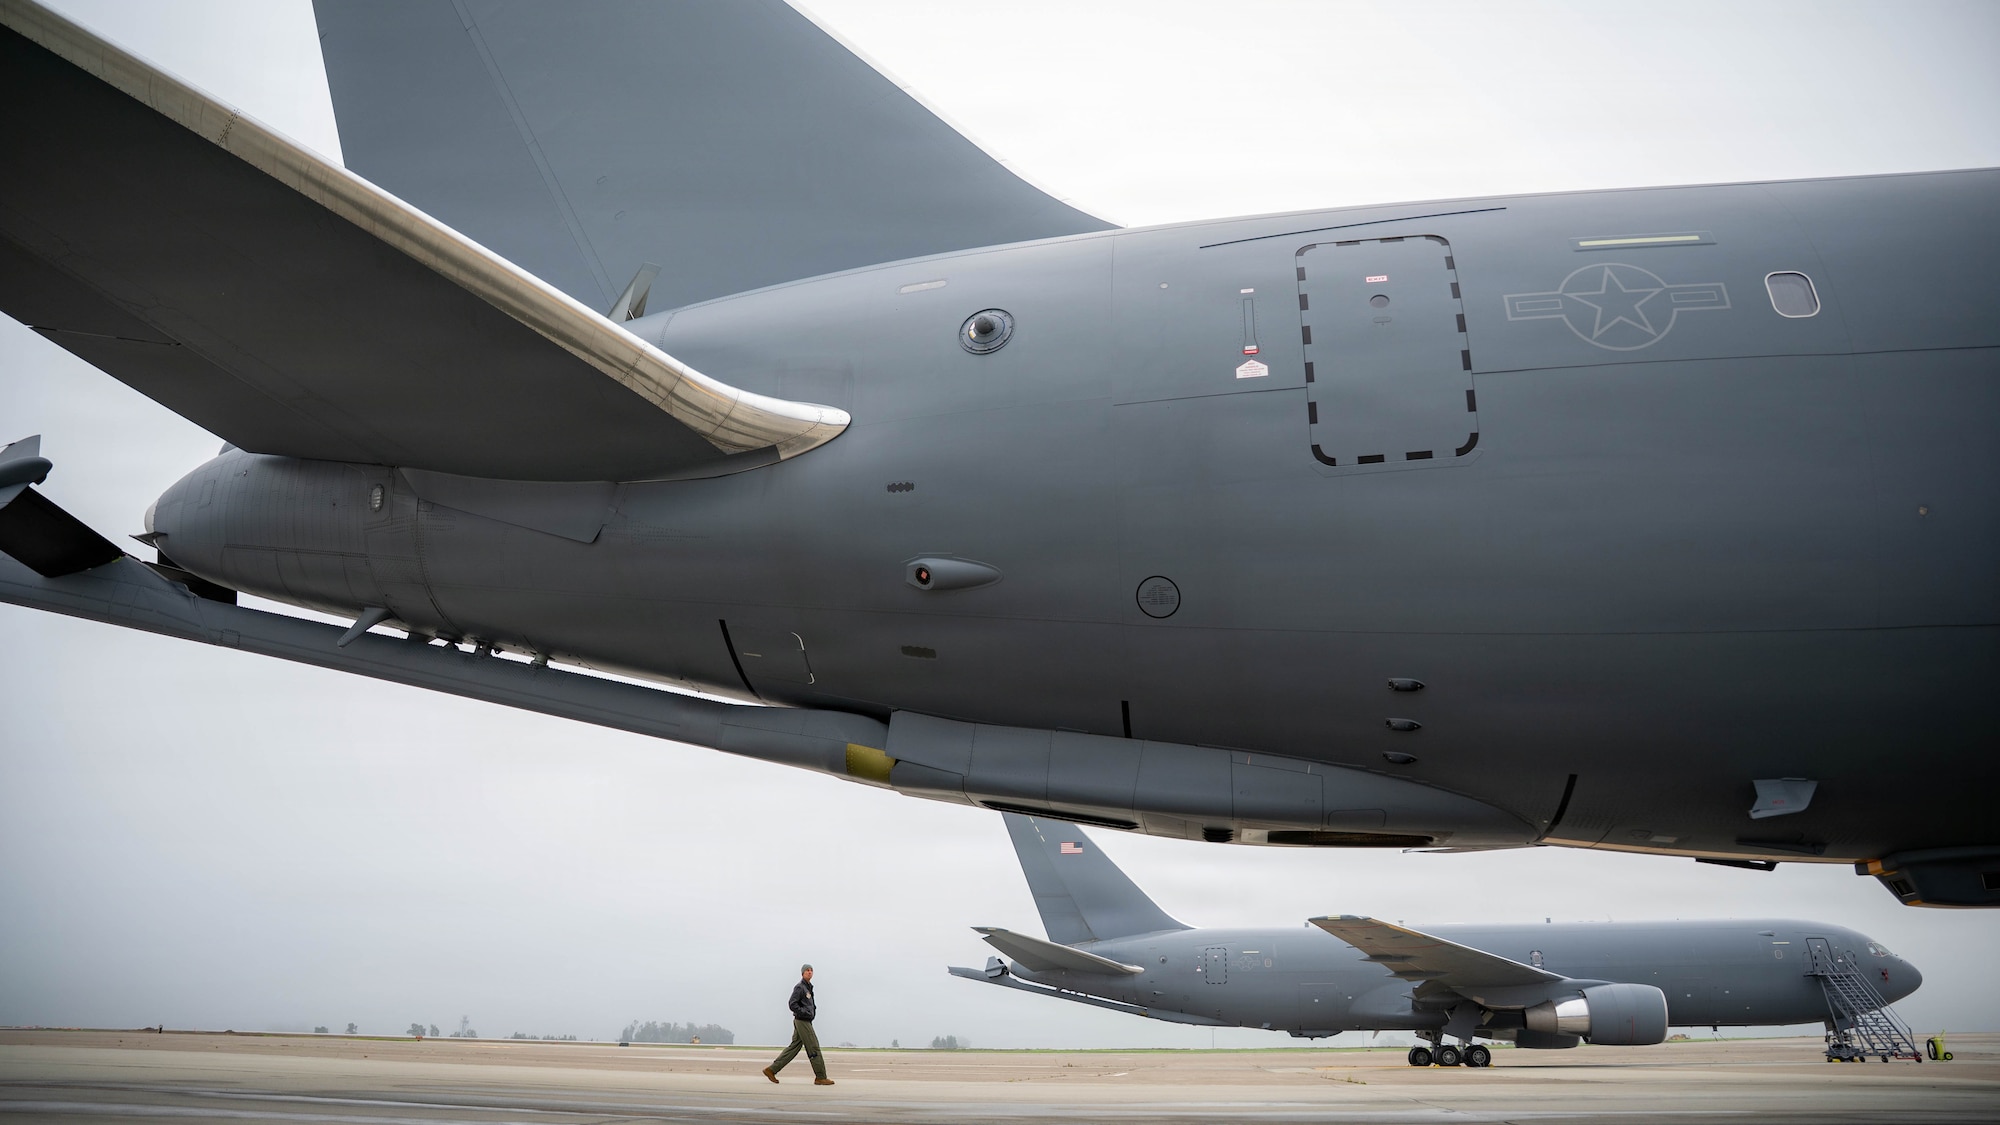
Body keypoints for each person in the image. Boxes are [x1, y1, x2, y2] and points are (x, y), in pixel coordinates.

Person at [763, 964, 833, 1085]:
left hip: (805, 1020)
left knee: (794, 1048)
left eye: (811, 970)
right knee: (813, 1047)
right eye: (807, 970)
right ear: (802, 973)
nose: (809, 972)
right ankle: (821, 1077)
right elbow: (792, 1004)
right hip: (802, 1021)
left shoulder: (808, 988)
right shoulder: (800, 987)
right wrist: (804, 1013)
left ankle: (771, 1070)